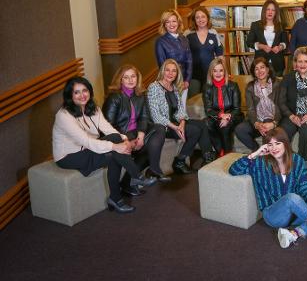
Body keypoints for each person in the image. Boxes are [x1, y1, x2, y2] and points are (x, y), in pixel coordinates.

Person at [229, 127, 307, 248]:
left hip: (296, 212)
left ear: (285, 144)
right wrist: (254, 154)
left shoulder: (297, 160)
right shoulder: (259, 162)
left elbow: (306, 186)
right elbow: (233, 170)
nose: (274, 148)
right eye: (270, 145)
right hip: (274, 215)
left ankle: (293, 234)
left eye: (277, 143)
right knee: (292, 198)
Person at [53, 77, 156, 214]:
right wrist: (115, 147)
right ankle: (133, 179)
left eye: (85, 90)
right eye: (77, 92)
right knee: (114, 153)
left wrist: (123, 139)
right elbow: (87, 141)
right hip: (69, 156)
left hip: (88, 149)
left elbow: (108, 128)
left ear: (89, 91)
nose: (82, 95)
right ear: (70, 95)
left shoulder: (93, 108)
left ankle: (121, 193)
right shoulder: (64, 115)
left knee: (115, 139)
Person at [103, 65, 171, 190]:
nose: (130, 80)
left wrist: (141, 135)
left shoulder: (140, 95)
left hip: (135, 132)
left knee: (159, 128)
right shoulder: (114, 97)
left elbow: (144, 117)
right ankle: (129, 183)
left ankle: (148, 172)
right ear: (120, 80)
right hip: (120, 135)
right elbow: (107, 126)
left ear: (137, 78)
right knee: (148, 151)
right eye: (126, 77)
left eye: (133, 76)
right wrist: (125, 140)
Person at [147, 59, 213, 173]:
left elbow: (180, 110)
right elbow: (155, 115)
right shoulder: (154, 87)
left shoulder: (174, 88)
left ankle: (208, 158)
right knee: (195, 130)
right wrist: (175, 127)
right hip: (163, 126)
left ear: (177, 74)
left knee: (202, 123)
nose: (170, 73)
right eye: (167, 70)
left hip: (176, 122)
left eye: (174, 71)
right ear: (163, 71)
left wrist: (182, 123)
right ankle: (180, 161)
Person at [234, 57, 282, 151]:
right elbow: (250, 108)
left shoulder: (277, 84)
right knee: (240, 129)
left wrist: (274, 123)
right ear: (254, 72)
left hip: (272, 120)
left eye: (262, 67)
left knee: (267, 126)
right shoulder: (250, 87)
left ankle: (268, 157)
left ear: (268, 69)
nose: (260, 71)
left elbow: (280, 106)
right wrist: (256, 124)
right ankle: (257, 150)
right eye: (256, 68)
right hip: (257, 120)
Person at [203, 57, 243, 155]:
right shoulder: (207, 87)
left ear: (225, 72)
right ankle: (219, 150)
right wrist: (221, 116)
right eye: (215, 71)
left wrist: (227, 117)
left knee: (225, 125)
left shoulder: (233, 86)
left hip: (234, 115)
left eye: (221, 70)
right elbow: (208, 110)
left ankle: (227, 154)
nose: (218, 73)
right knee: (206, 123)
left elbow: (237, 109)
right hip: (217, 116)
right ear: (211, 72)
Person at [155, 9, 192, 108]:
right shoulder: (160, 42)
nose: (171, 24)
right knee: (173, 108)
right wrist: (171, 83)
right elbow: (162, 65)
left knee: (182, 106)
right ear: (164, 25)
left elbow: (189, 60)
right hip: (170, 81)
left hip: (184, 79)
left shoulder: (184, 39)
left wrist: (187, 80)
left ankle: (183, 123)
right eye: (168, 22)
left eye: (174, 21)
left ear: (179, 22)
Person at [186, 7, 223, 97]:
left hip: (211, 75)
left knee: (210, 99)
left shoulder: (213, 33)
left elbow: (220, 56)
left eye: (203, 16)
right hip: (193, 75)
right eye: (197, 17)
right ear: (194, 20)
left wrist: (224, 72)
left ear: (207, 18)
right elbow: (184, 56)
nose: (200, 19)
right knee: (193, 101)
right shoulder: (188, 34)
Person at [247, 0, 289, 76]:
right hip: (260, 63)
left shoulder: (280, 25)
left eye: (273, 10)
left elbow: (286, 42)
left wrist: (280, 47)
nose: (270, 12)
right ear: (264, 11)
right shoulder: (255, 25)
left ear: (276, 12)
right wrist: (261, 46)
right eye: (268, 9)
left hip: (277, 63)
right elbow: (249, 42)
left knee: (276, 87)